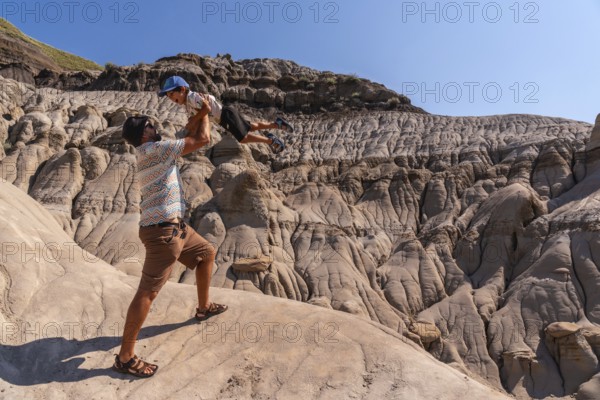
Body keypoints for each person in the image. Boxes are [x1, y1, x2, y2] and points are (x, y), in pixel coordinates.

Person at [113, 97, 227, 378]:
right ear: (144, 134)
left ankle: (203, 308)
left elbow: (189, 137)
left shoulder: (153, 150)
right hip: (163, 233)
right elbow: (202, 139)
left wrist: (197, 111)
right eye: (152, 125)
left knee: (207, 253)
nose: (156, 126)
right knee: (148, 292)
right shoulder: (154, 149)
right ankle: (125, 358)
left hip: (176, 228)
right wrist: (204, 108)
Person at [158, 75, 292, 154]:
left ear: (182, 89)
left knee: (243, 138)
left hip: (225, 116)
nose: (170, 98)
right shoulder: (188, 104)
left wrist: (193, 120)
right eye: (168, 96)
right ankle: (277, 124)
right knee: (251, 126)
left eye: (171, 94)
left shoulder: (192, 97)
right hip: (225, 115)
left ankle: (270, 141)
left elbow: (207, 108)